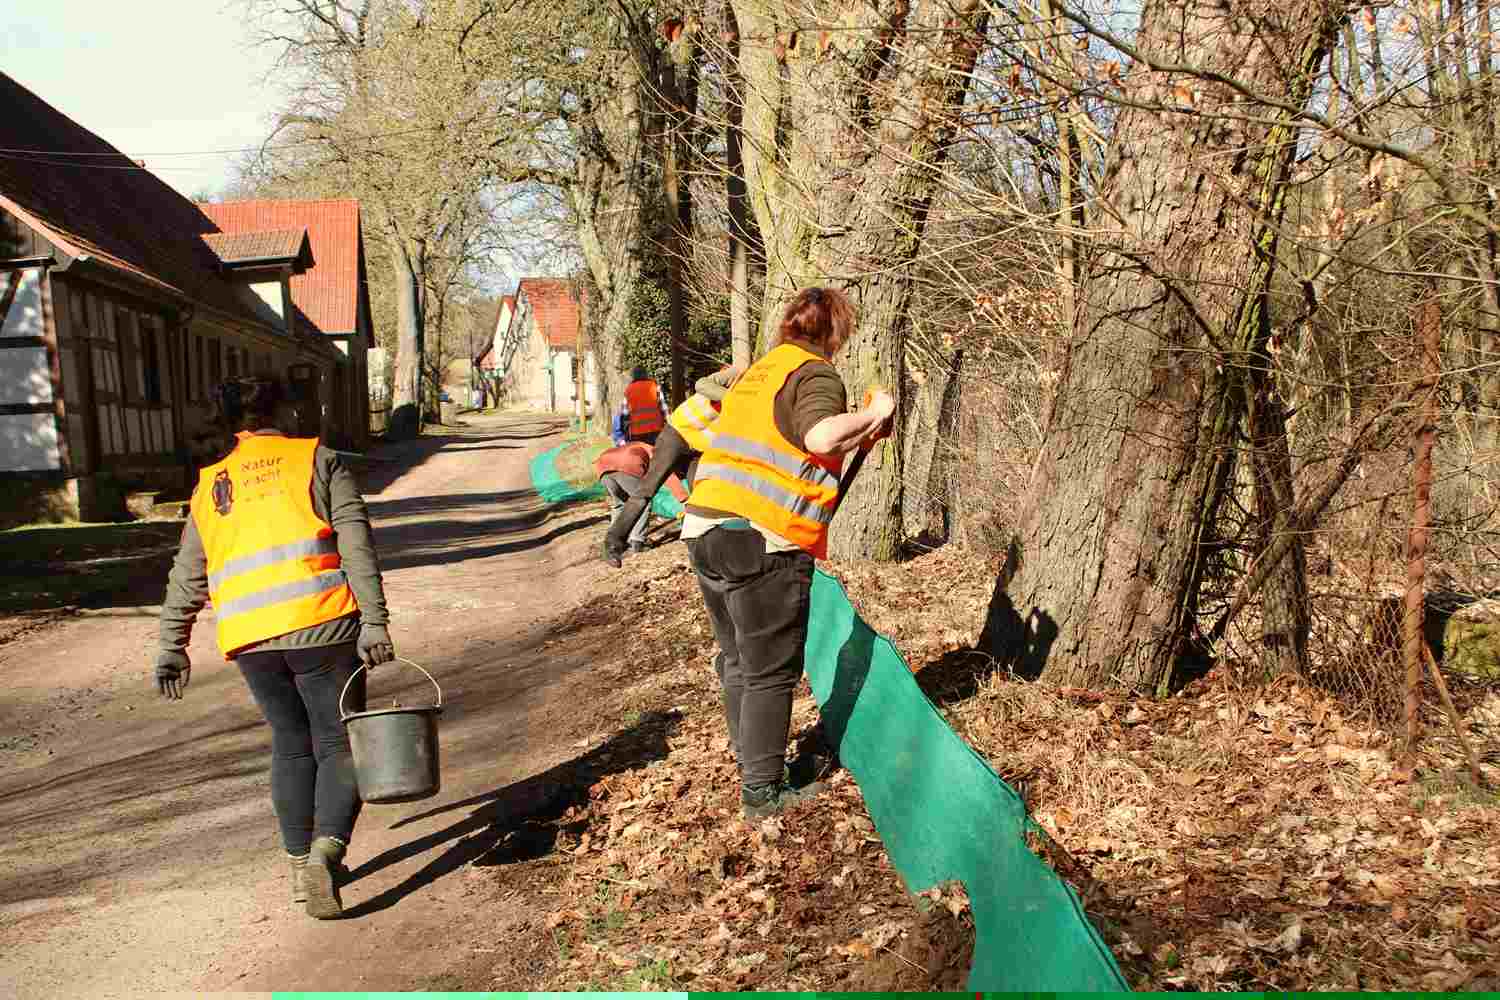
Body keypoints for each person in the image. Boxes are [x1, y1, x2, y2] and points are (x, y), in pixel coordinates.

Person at [152, 375, 395, 920]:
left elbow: (189, 571)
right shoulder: (318, 459)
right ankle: (324, 856)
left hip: (251, 638)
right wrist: (375, 622)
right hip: (323, 626)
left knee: (290, 744)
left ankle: (295, 865)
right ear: (284, 413)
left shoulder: (211, 482)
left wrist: (173, 643)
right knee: (338, 743)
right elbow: (357, 546)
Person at [683, 287, 894, 820]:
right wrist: (877, 411)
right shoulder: (815, 373)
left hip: (706, 525)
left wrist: (863, 429)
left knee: (738, 660)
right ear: (835, 333)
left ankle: (750, 764)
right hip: (761, 538)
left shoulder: (761, 372)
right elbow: (821, 437)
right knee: (769, 670)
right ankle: (762, 793)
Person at [603, 364, 743, 567]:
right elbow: (701, 384)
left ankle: (704, 554)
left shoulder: (759, 403)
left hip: (698, 448)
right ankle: (613, 542)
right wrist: (733, 398)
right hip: (676, 434)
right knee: (647, 490)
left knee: (701, 498)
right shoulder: (737, 375)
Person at [595, 439, 688, 555]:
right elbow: (667, 474)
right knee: (643, 502)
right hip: (627, 465)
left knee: (620, 504)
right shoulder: (653, 451)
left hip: (602, 468)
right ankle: (637, 541)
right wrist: (683, 498)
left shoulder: (635, 445)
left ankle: (615, 541)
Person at [620, 365, 667, 445]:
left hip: (637, 432)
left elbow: (625, 413)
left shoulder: (629, 389)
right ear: (646, 374)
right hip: (655, 430)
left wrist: (625, 432)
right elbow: (664, 408)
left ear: (633, 376)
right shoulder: (655, 386)